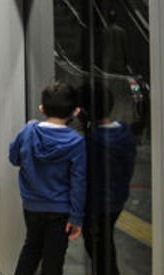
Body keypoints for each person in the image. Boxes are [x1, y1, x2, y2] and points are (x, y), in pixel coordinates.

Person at [9, 81, 87, 275]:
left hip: (32, 205)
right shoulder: (76, 142)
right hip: (60, 210)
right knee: (54, 258)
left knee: (31, 249)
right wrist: (77, 217)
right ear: (76, 111)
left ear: (42, 109)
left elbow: (14, 158)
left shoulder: (29, 131)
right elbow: (79, 182)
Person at [84, 82, 136, 275]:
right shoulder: (125, 133)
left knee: (100, 252)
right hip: (117, 201)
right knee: (106, 245)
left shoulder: (92, 142)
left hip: (96, 206)